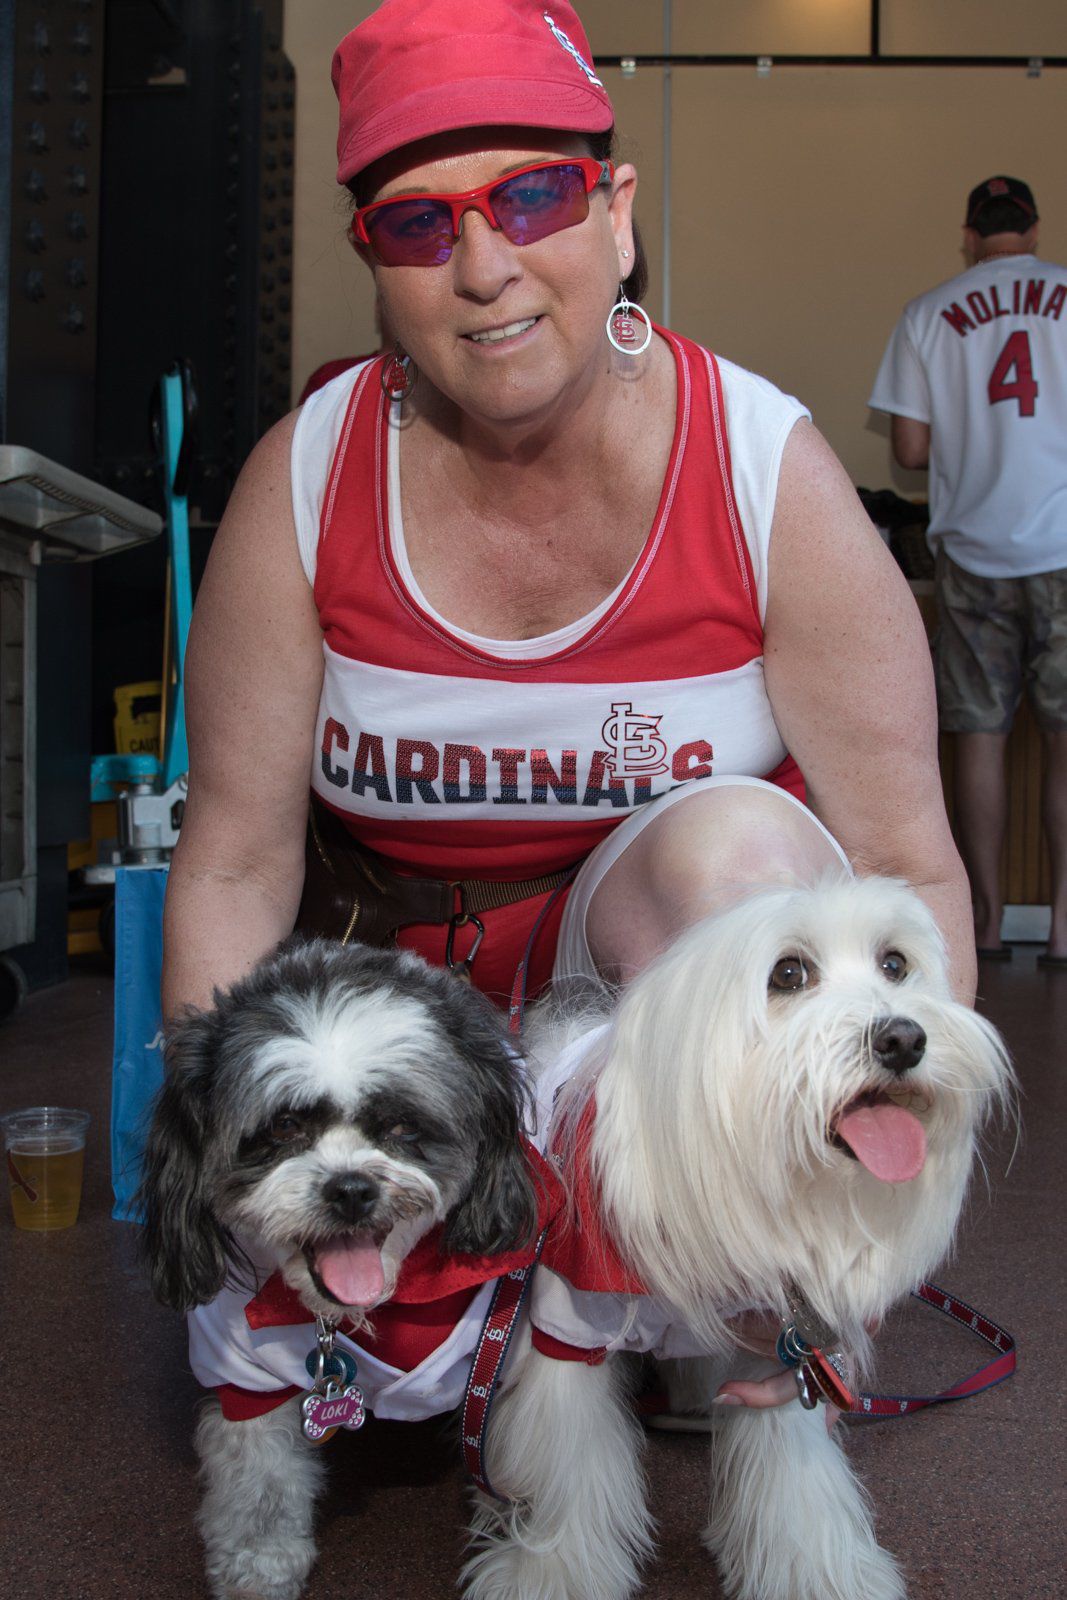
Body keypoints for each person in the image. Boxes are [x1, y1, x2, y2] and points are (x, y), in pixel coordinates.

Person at [162, 0, 973, 1411]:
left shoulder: (760, 466)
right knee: (329, 1387)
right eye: (417, 227)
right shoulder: (304, 476)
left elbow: (900, 856)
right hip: (399, 1024)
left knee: (737, 851)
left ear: (615, 213)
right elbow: (234, 857)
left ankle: (746, 1252)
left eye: (530, 195)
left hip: (656, 1005)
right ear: (374, 264)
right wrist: (219, 1169)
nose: (482, 267)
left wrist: (890, 1227)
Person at [870, 176, 1067, 965]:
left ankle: (981, 927)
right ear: (1032, 227)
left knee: (977, 739)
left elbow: (910, 453)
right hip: (1063, 551)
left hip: (973, 556)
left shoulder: (928, 312)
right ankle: (1061, 928)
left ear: (968, 233)